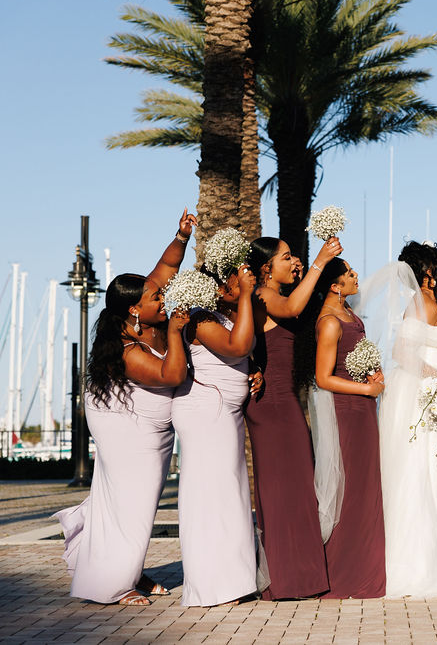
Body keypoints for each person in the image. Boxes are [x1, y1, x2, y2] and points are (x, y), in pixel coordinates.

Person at [55, 210, 195, 606]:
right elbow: (170, 375)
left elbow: (167, 266)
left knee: (138, 505)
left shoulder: (145, 316)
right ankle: (112, 584)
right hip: (129, 436)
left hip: (148, 431)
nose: (163, 298)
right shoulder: (127, 349)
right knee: (131, 505)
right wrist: (175, 331)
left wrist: (182, 236)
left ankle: (131, 569)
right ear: (134, 309)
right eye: (156, 298)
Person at [245, 236, 342, 600]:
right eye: (286, 258)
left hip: (287, 402)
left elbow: (303, 313)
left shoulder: (283, 293)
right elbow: (288, 310)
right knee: (282, 490)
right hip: (270, 404)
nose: (293, 261)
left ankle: (302, 575)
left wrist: (306, 277)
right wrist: (318, 262)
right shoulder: (264, 295)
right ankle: (287, 579)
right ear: (267, 267)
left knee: (298, 487)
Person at [367, 241, 437, 599]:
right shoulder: (420, 302)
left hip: (430, 395)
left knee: (430, 472)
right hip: (417, 397)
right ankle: (411, 564)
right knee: (416, 474)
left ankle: (427, 556)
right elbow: (401, 352)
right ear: (428, 273)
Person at [171, 259, 259, 607]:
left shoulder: (225, 316)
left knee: (230, 496)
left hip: (225, 413)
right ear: (224, 284)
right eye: (242, 278)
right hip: (205, 411)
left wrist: (257, 373)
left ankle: (233, 580)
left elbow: (243, 355)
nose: (248, 281)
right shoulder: (200, 318)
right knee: (209, 498)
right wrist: (249, 298)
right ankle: (212, 585)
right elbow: (237, 348)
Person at [311, 258, 386, 599]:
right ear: (335, 285)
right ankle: (344, 573)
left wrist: (373, 376)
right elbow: (323, 377)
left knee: (366, 486)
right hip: (345, 411)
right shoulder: (329, 322)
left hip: (364, 408)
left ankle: (366, 567)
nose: (358, 276)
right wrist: (365, 389)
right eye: (351, 274)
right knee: (348, 489)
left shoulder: (350, 314)